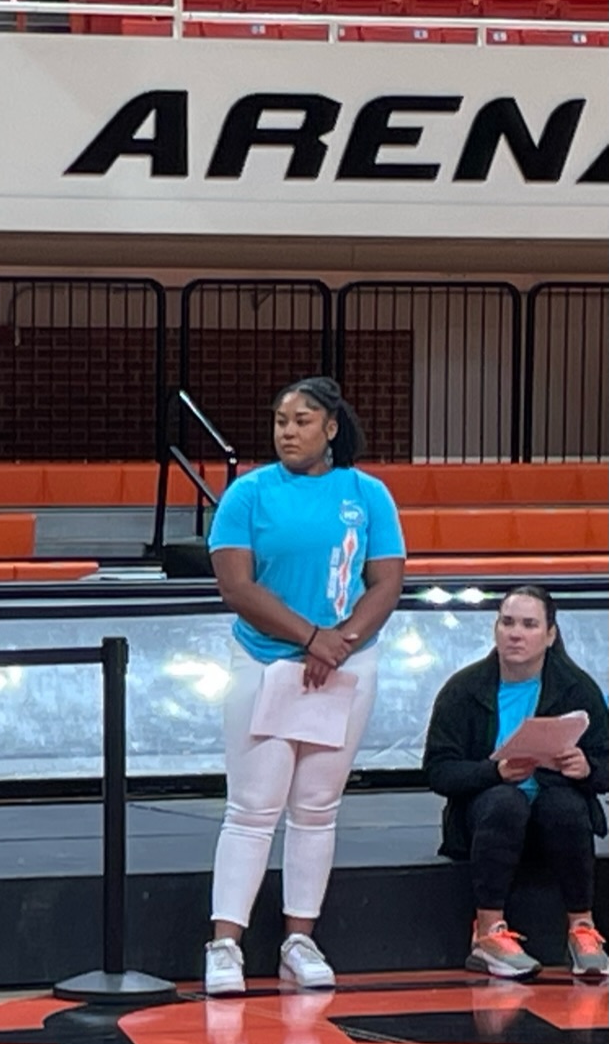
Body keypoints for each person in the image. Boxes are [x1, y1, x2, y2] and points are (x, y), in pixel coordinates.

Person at [202, 376, 406, 996]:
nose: (288, 432)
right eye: (280, 421)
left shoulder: (367, 494)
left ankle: (299, 941)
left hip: (345, 665)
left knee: (317, 808)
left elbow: (386, 582)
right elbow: (236, 587)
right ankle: (225, 945)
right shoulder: (248, 494)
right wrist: (311, 636)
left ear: (331, 428)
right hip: (265, 662)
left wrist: (340, 641)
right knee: (252, 807)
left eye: (302, 420)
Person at [422, 586, 608, 981]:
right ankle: (488, 933)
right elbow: (438, 770)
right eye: (507, 623)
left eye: (528, 625)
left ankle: (582, 929)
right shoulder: (463, 690)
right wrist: (494, 772)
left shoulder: (578, 689)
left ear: (550, 635)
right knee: (505, 802)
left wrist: (587, 767)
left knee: (566, 805)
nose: (516, 634)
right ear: (495, 629)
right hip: (488, 816)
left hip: (553, 814)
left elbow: (605, 764)